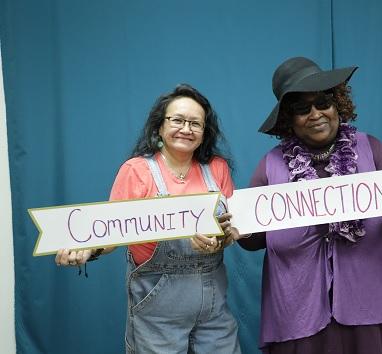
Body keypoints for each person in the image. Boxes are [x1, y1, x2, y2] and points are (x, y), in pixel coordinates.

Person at [232, 56, 382, 354]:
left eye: (323, 103)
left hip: (365, 304)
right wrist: (239, 231)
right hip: (298, 313)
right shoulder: (271, 166)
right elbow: (255, 241)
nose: (316, 114)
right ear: (289, 120)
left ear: (337, 105)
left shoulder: (372, 149)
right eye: (302, 109)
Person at [55, 84, 242, 354]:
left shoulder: (217, 168)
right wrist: (88, 248)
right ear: (159, 127)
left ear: (205, 132)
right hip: (157, 313)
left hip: (213, 309)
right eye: (177, 120)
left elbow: (230, 230)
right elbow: (112, 232)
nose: (186, 129)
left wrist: (220, 241)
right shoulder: (137, 171)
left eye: (195, 124)